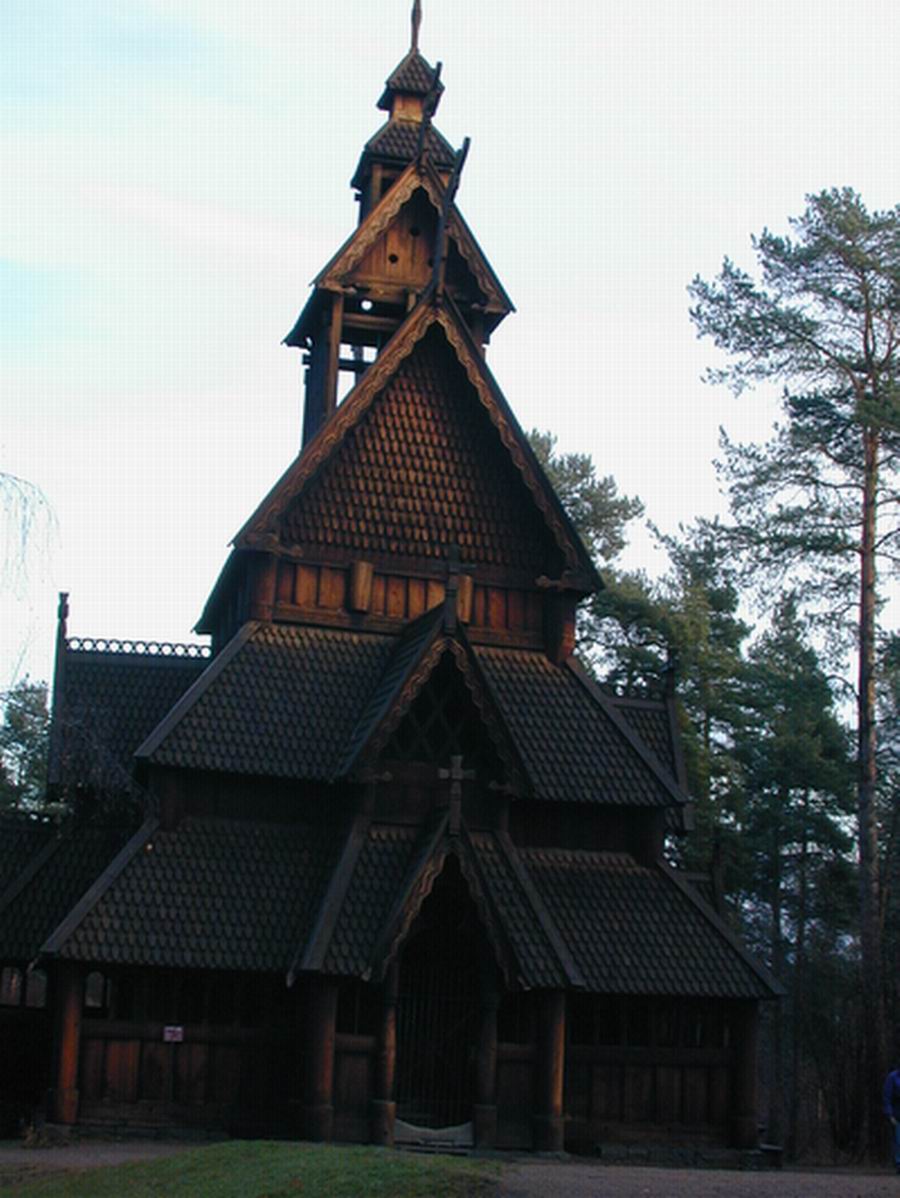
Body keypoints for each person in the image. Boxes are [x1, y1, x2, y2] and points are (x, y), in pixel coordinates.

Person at [885, 1064, 900, 1174]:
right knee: (898, 1140)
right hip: (897, 1114)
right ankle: (899, 1163)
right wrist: (890, 1114)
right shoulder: (892, 1077)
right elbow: (887, 1097)